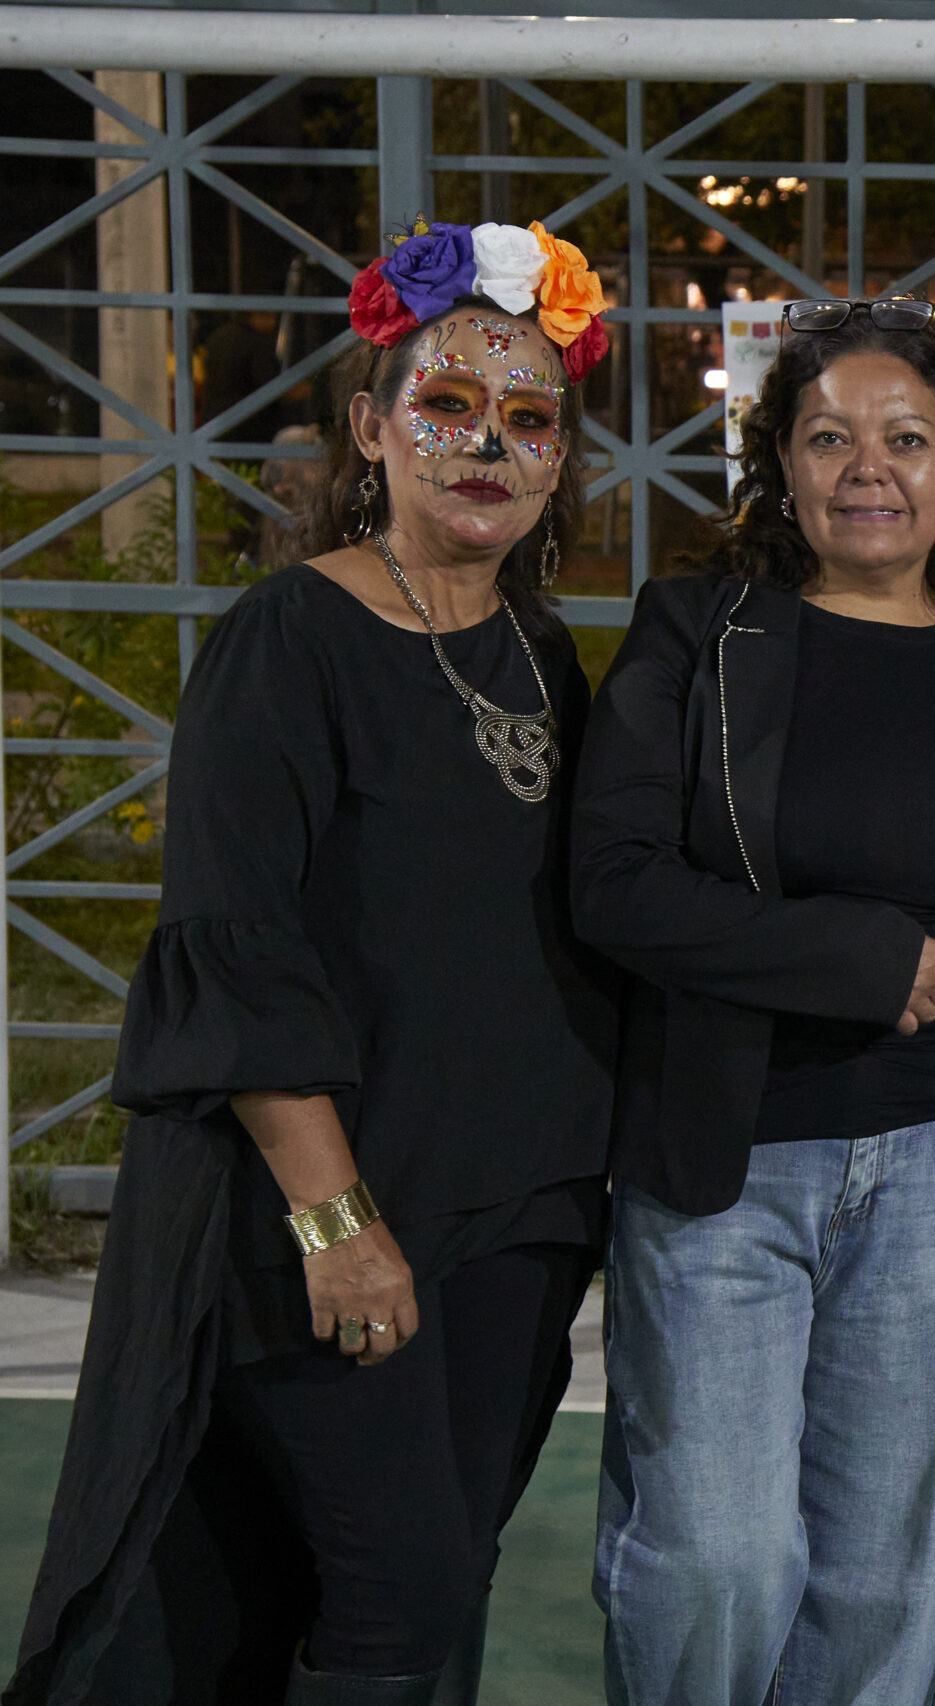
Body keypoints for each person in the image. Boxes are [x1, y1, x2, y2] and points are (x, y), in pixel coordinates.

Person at [9, 219, 618, 1705]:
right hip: (337, 1215)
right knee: (399, 1588)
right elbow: (238, 946)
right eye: (448, 407)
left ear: (561, 457)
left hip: (518, 1214)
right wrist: (336, 1220)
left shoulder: (542, 654)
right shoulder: (289, 639)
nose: (489, 447)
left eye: (530, 418)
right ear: (369, 426)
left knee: (444, 1577)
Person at [570, 295, 935, 1705]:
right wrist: (852, 958)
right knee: (717, 1556)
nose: (867, 467)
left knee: (885, 1576)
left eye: (906, 437)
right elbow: (613, 883)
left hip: (929, 1181)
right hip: (726, 1172)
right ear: (778, 460)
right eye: (829, 436)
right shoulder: (696, 635)